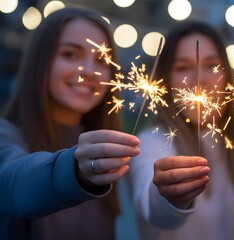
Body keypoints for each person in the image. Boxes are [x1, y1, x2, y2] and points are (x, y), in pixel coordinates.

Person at [0, 7, 141, 239]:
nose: (89, 71)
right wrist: (76, 170)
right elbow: (16, 185)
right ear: (40, 61)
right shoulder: (5, 136)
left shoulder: (116, 156)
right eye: (70, 55)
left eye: (101, 60)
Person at [128, 21, 234, 239]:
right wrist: (171, 198)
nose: (199, 80)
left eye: (211, 65)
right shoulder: (151, 143)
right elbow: (151, 204)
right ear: (166, 81)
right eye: (183, 67)